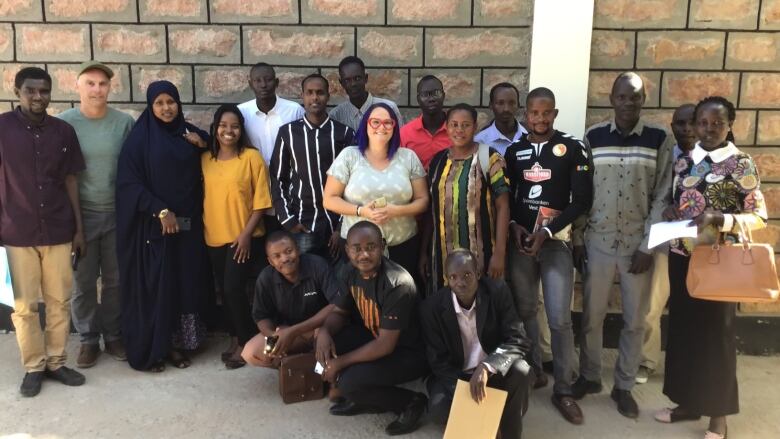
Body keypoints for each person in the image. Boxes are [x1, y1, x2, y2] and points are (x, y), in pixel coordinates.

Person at [656, 96, 767, 439]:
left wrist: (721, 218)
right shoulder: (685, 162)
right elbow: (681, 203)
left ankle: (719, 415)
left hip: (720, 262)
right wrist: (671, 213)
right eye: (702, 123)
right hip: (683, 257)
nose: (707, 129)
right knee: (683, 332)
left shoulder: (740, 164)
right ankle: (687, 403)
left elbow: (759, 217)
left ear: (730, 125)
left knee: (716, 337)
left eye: (717, 123)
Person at [571, 72, 674, 418]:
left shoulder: (660, 138)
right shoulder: (594, 137)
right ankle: (589, 376)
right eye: (622, 97)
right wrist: (578, 237)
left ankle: (624, 386)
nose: (628, 103)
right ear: (611, 99)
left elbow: (663, 194)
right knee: (592, 316)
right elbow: (583, 192)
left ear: (644, 99)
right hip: (598, 240)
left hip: (636, 245)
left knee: (635, 320)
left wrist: (648, 245)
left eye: (635, 97)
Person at [504, 87, 592, 424]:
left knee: (559, 318)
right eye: (534, 113)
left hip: (555, 243)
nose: (539, 119)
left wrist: (547, 231)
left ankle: (564, 389)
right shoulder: (515, 151)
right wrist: (514, 225)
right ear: (525, 115)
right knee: (526, 309)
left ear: (555, 114)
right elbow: (508, 196)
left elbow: (581, 200)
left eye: (546, 113)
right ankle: (536, 371)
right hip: (522, 243)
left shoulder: (572, 148)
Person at [0, 67, 87, 396]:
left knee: (59, 301)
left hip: (57, 229)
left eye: (44, 91)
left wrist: (79, 230)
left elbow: (70, 181)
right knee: (23, 307)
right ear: (17, 92)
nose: (38, 97)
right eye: (30, 91)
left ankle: (56, 361)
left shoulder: (63, 132)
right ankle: (33, 366)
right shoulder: (2, 128)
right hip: (15, 232)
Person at [116, 80, 210, 372]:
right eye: (160, 103)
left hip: (189, 227)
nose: (167, 108)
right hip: (157, 229)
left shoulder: (189, 133)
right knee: (160, 287)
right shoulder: (139, 139)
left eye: (171, 102)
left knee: (185, 284)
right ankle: (160, 347)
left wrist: (204, 144)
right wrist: (160, 209)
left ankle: (181, 345)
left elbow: (221, 148)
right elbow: (128, 183)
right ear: (150, 106)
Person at [315, 221, 428, 436]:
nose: (364, 255)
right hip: (375, 336)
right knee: (326, 342)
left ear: (383, 246)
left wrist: (340, 363)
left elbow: (385, 345)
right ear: (347, 250)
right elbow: (339, 313)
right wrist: (323, 332)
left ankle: (410, 402)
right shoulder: (350, 271)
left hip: (408, 352)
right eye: (357, 248)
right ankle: (363, 397)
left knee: (350, 381)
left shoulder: (398, 283)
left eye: (371, 247)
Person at [56, 61, 134, 369]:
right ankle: (88, 340)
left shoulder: (123, 123)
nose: (96, 89)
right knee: (83, 282)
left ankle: (113, 335)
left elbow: (133, 167)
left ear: (110, 88)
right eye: (90, 83)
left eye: (102, 84)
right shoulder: (64, 123)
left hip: (117, 214)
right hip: (81, 217)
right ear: (77, 86)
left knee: (115, 281)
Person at [421, 249, 531, 439]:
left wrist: (488, 367)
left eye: (467, 275)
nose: (460, 283)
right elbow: (438, 362)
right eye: (453, 277)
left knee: (522, 370)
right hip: (457, 375)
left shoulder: (497, 291)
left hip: (493, 373)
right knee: (438, 410)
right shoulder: (432, 308)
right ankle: (487, 419)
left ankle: (509, 431)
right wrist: (466, 393)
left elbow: (517, 339)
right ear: (447, 280)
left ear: (478, 274)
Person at [323, 103, 429, 279]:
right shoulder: (349, 156)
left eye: (388, 123)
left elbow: (423, 200)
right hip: (358, 247)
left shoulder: (408, 157)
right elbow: (329, 199)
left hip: (402, 244)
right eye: (375, 122)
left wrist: (397, 211)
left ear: (395, 127)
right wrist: (361, 211)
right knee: (361, 301)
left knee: (401, 297)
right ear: (366, 124)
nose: (382, 127)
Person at [202, 104, 272, 369]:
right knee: (224, 290)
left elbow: (262, 203)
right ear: (215, 128)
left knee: (234, 289)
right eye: (223, 125)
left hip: (243, 238)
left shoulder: (251, 158)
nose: (228, 130)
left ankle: (245, 340)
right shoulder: (206, 159)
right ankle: (234, 337)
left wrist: (245, 236)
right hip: (214, 237)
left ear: (241, 130)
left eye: (234, 126)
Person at [421, 103, 511, 292]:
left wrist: (500, 253)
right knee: (446, 308)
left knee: (481, 307)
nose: (459, 130)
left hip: (482, 254)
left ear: (475, 127)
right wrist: (423, 252)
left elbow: (503, 206)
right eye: (454, 124)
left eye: (465, 125)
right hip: (443, 255)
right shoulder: (437, 162)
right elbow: (431, 210)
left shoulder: (490, 158)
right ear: (447, 127)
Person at [637, 103, 696, 384]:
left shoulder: (715, 159)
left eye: (692, 122)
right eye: (680, 124)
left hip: (702, 246)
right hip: (665, 241)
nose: (687, 129)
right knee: (652, 304)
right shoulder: (667, 153)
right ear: (672, 127)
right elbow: (658, 191)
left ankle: (692, 363)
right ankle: (647, 360)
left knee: (694, 306)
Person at [271, 74, 355, 261]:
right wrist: (289, 221)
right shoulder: (288, 133)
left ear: (328, 96)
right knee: (307, 280)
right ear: (302, 96)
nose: (314, 98)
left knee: (338, 280)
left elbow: (353, 182)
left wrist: (342, 226)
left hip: (336, 222)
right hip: (303, 221)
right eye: (309, 93)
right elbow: (278, 179)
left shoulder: (344, 133)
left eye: (320, 93)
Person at [241, 231, 342, 367]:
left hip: (320, 328)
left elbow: (337, 304)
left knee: (328, 351)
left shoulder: (318, 265)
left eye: (289, 251)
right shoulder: (265, 278)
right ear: (270, 261)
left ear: (298, 249)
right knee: (250, 352)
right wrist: (275, 337)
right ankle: (293, 367)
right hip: (286, 332)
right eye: (277, 256)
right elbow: (261, 316)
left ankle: (317, 369)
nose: (284, 258)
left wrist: (293, 331)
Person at [238, 63, 305, 236]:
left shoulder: (294, 111)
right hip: (254, 198)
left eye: (268, 80)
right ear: (250, 83)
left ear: (277, 82)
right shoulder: (242, 113)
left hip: (289, 198)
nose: (263, 85)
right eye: (257, 80)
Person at [329, 56, 403, 132]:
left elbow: (399, 140)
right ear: (342, 83)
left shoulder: (389, 108)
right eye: (347, 80)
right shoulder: (336, 115)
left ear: (366, 78)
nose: (353, 84)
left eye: (357, 78)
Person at [400, 75, 449, 169]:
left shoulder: (456, 130)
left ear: (443, 95)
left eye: (436, 93)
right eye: (425, 95)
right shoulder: (405, 133)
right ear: (418, 99)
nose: (431, 99)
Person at [474, 82, 528, 156]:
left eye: (511, 103)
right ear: (491, 105)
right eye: (500, 103)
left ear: (518, 105)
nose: (506, 109)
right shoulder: (481, 141)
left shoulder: (530, 136)